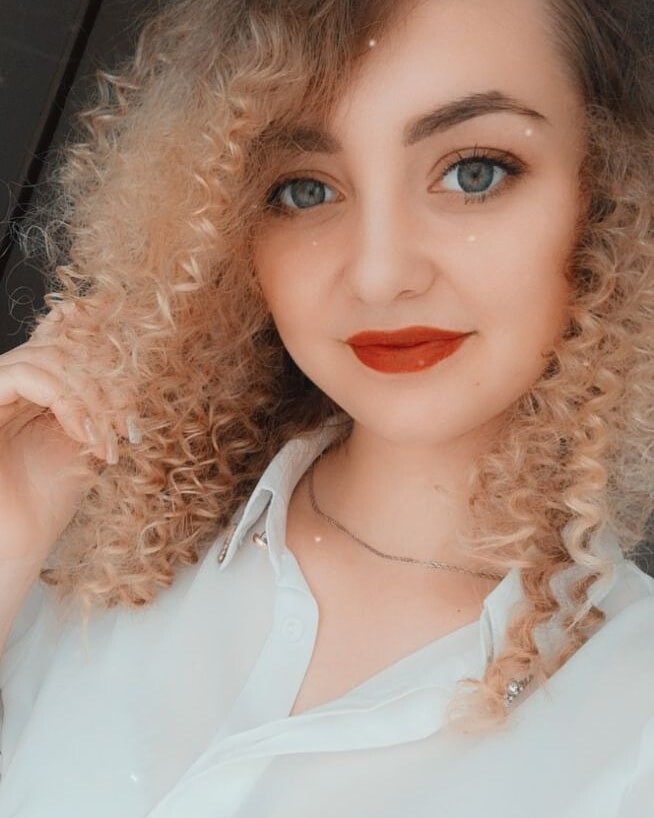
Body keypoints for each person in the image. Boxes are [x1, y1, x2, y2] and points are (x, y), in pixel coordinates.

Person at [0, 0, 653, 814]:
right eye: (305, 189)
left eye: (474, 173)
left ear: (611, 196)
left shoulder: (635, 727)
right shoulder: (74, 556)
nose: (379, 274)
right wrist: (14, 522)